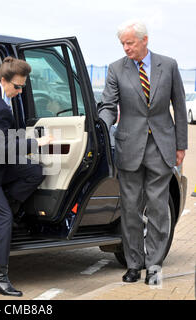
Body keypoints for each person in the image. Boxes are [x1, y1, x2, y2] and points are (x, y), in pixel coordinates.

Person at [98, 20, 187, 285]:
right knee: (131, 210)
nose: (126, 48)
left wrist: (181, 146)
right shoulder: (116, 69)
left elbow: (180, 108)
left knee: (159, 209)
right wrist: (101, 125)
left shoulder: (168, 66)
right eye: (123, 44)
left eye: (130, 43)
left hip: (161, 146)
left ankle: (155, 265)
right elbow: (109, 105)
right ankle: (134, 264)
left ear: (144, 40)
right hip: (129, 147)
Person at [0, 56, 52, 296]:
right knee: (3, 220)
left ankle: (8, 204)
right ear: (3, 80)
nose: (20, 91)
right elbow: (3, 148)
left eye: (23, 87)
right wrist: (37, 142)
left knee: (34, 170)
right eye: (17, 87)